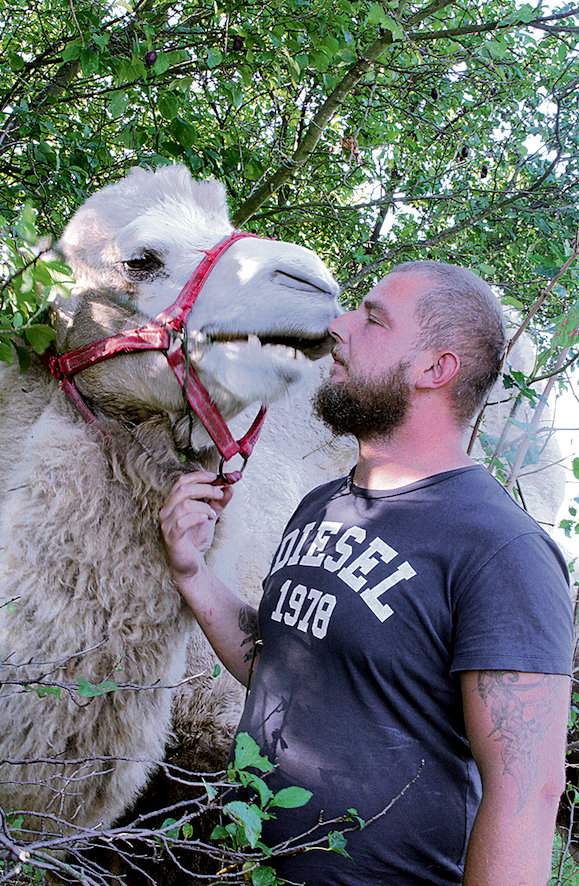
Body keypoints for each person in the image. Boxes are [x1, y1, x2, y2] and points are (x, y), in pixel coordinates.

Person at [160, 261, 573, 885]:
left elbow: (526, 795)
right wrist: (192, 573)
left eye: (373, 319)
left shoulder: (501, 550)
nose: (338, 326)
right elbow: (278, 667)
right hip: (250, 867)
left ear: (436, 369)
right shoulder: (326, 505)